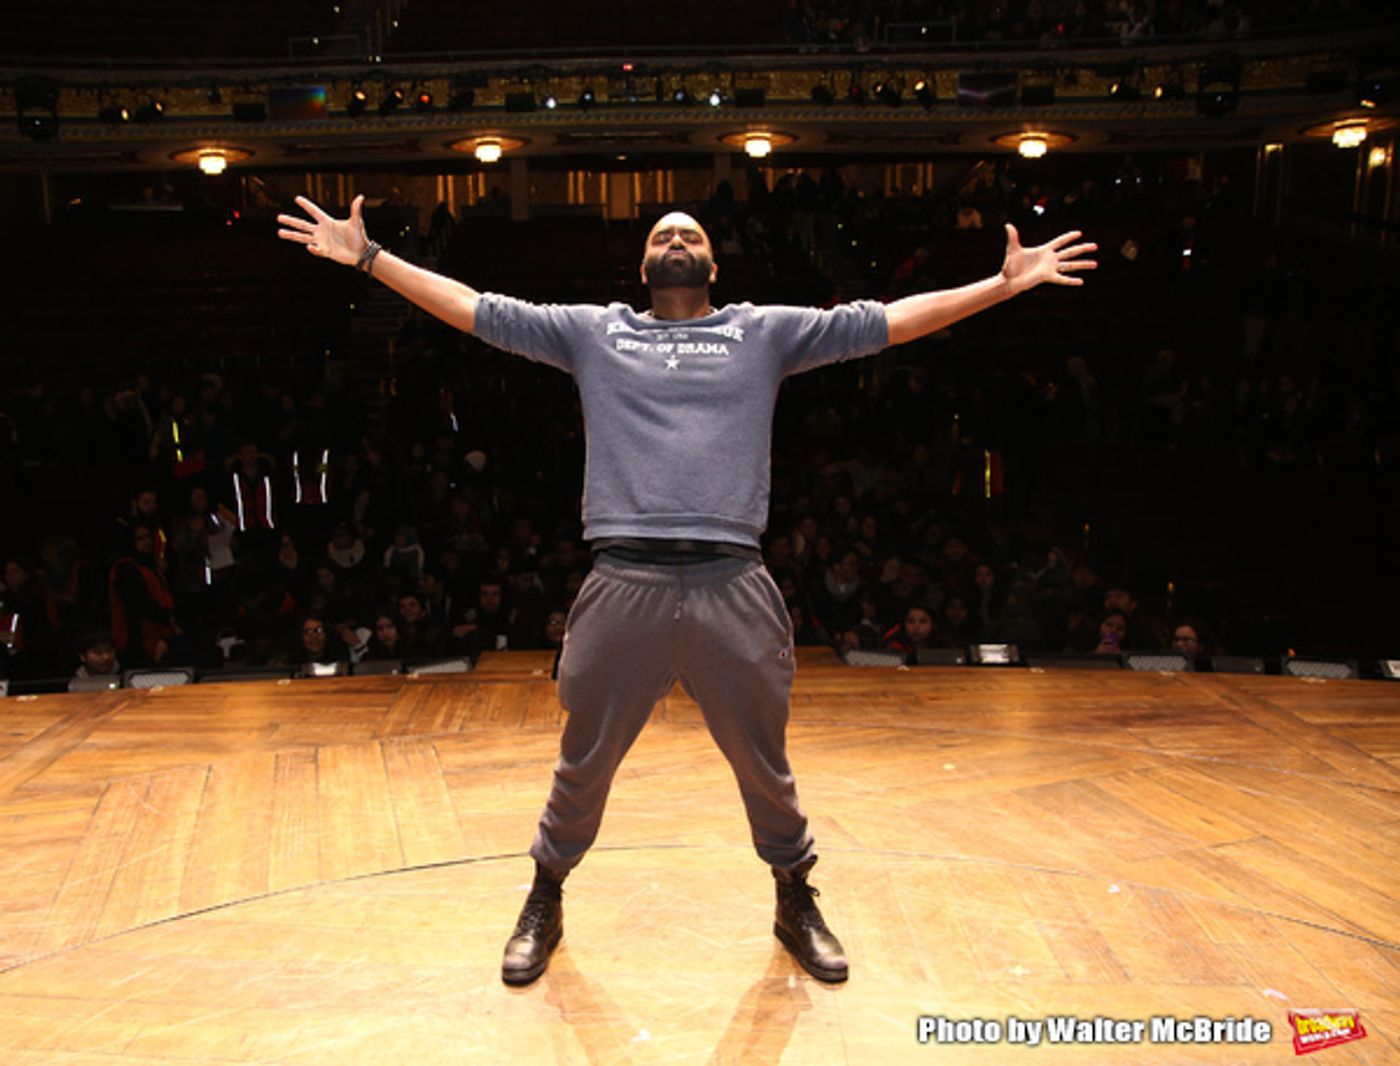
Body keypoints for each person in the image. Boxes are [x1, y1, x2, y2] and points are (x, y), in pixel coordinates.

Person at [278, 193, 1095, 986]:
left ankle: (793, 897)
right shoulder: (595, 333)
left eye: (690, 231)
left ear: (712, 260)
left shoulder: (763, 331)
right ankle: (545, 896)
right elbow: (476, 309)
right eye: (662, 233)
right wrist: (373, 259)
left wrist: (1003, 285)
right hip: (622, 578)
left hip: (732, 579)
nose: (675, 237)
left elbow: (889, 321)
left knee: (763, 762)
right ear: (641, 264)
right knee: (583, 761)